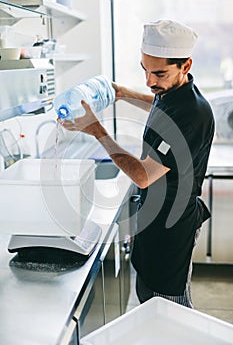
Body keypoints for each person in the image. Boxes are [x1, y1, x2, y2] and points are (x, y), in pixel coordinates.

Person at [59, 19, 215, 308]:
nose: (150, 81)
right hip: (156, 218)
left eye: (159, 73)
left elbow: (142, 176)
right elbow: (158, 104)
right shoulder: (173, 93)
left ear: (186, 65)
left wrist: (97, 131)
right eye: (145, 70)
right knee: (149, 296)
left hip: (171, 225)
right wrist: (123, 93)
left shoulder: (190, 114)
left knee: (170, 304)